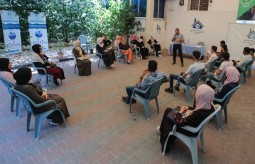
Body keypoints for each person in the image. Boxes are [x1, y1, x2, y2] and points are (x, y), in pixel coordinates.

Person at [157, 84, 215, 152]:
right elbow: (196, 110)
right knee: (171, 110)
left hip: (189, 130)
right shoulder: (209, 107)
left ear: (200, 97)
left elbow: (179, 123)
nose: (196, 95)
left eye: (198, 94)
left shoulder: (198, 114)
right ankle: (162, 130)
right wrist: (188, 108)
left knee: (168, 112)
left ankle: (165, 137)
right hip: (195, 125)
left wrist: (181, 112)